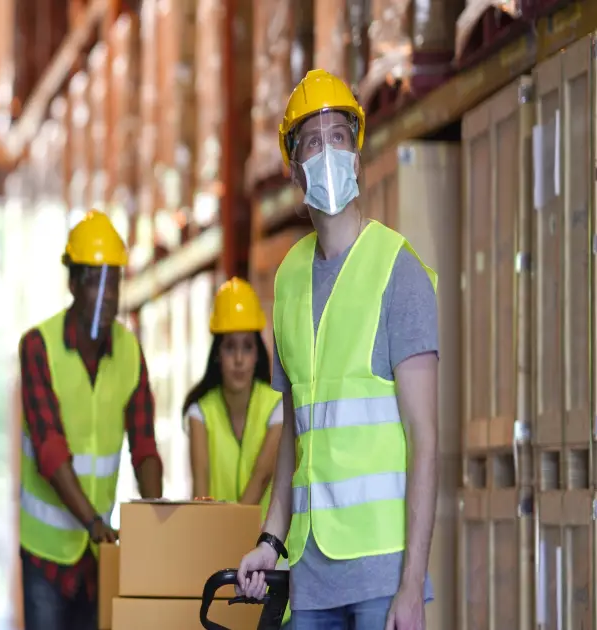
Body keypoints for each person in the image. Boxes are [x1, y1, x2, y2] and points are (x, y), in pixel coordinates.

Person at [233, 69, 440, 630]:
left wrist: (411, 587)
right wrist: (270, 542)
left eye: (339, 136)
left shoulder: (400, 272)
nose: (328, 151)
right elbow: (295, 433)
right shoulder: (288, 279)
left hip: (380, 577)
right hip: (310, 576)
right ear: (295, 169)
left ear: (356, 151)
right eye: (312, 141)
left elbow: (425, 442)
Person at [18, 210, 164, 630]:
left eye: (113, 282)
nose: (105, 295)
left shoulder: (130, 352)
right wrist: (95, 522)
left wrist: (154, 517)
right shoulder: (38, 348)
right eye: (93, 281)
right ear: (73, 284)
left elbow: (145, 447)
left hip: (98, 553)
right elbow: (49, 450)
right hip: (48, 554)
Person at [183, 277, 283, 516]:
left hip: (269, 549)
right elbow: (200, 491)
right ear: (217, 354)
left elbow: (262, 477)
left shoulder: (277, 406)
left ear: (257, 354)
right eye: (230, 347)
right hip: (217, 543)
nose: (239, 359)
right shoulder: (200, 412)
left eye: (247, 347)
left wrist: (232, 533)